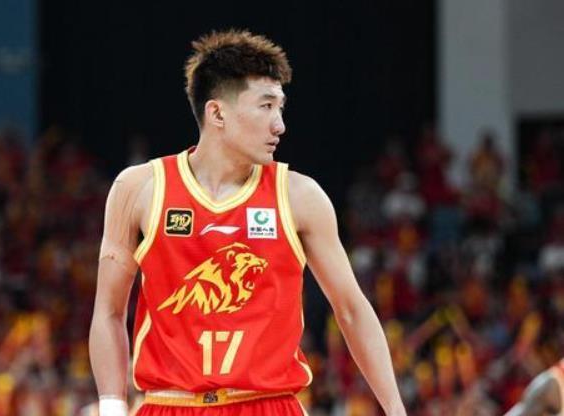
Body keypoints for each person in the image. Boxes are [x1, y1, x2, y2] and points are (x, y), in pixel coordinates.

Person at [89, 29, 406, 416]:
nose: (280, 125)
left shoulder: (300, 196)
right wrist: (111, 407)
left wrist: (395, 410)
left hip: (269, 406)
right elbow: (108, 312)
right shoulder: (138, 189)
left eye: (281, 108)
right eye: (266, 106)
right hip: (170, 404)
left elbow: (352, 309)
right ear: (217, 113)